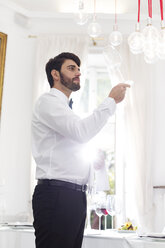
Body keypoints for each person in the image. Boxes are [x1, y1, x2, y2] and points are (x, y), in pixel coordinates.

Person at [31, 52, 130, 248]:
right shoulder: (48, 102)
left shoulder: (65, 108)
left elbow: (73, 146)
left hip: (73, 197)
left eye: (78, 69)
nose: (78, 73)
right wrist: (110, 101)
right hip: (56, 195)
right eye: (71, 68)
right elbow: (82, 131)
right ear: (55, 74)